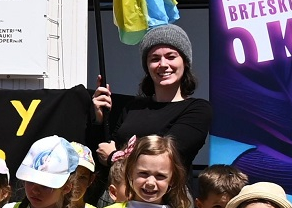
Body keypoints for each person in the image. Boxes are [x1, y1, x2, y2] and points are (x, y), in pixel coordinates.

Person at [89, 25, 214, 173]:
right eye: (155, 59)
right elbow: (102, 152)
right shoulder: (133, 107)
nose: (163, 64)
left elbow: (168, 157)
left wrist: (114, 157)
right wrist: (99, 120)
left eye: (171, 57)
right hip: (120, 187)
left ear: (185, 62)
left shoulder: (198, 110)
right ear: (147, 66)